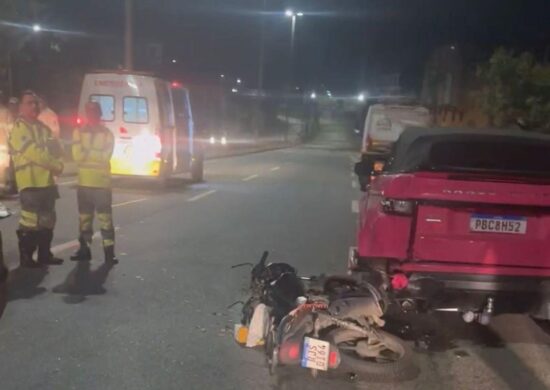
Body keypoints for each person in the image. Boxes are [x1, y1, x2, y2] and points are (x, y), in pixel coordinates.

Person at [9, 91, 64, 268]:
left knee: (48, 220)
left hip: (46, 182)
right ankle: (26, 257)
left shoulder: (43, 128)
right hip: (30, 183)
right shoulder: (19, 128)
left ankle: (44, 254)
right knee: (30, 222)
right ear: (21, 107)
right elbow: (34, 153)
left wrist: (58, 161)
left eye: (36, 103)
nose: (34, 106)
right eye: (29, 103)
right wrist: (56, 165)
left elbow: (56, 148)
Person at [71, 102, 118, 264]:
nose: (92, 115)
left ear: (99, 114)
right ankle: (84, 250)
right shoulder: (78, 132)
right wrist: (94, 155)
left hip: (101, 184)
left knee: (105, 219)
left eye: (94, 112)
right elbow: (76, 156)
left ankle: (109, 254)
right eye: (89, 112)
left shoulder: (107, 134)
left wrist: (87, 154)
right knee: (85, 219)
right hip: (84, 184)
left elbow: (106, 156)